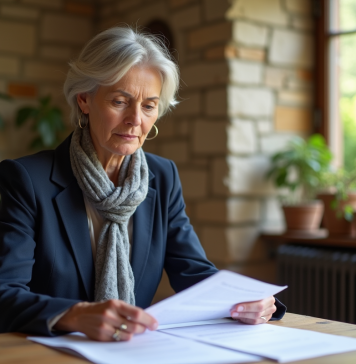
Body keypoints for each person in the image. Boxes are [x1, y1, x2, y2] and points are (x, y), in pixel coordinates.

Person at [0, 27, 285, 342]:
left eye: (149, 106)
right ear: (84, 100)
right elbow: (4, 293)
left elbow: (194, 273)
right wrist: (76, 315)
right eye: (120, 101)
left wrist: (251, 302)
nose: (135, 119)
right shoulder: (27, 179)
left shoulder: (162, 177)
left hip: (133, 351)